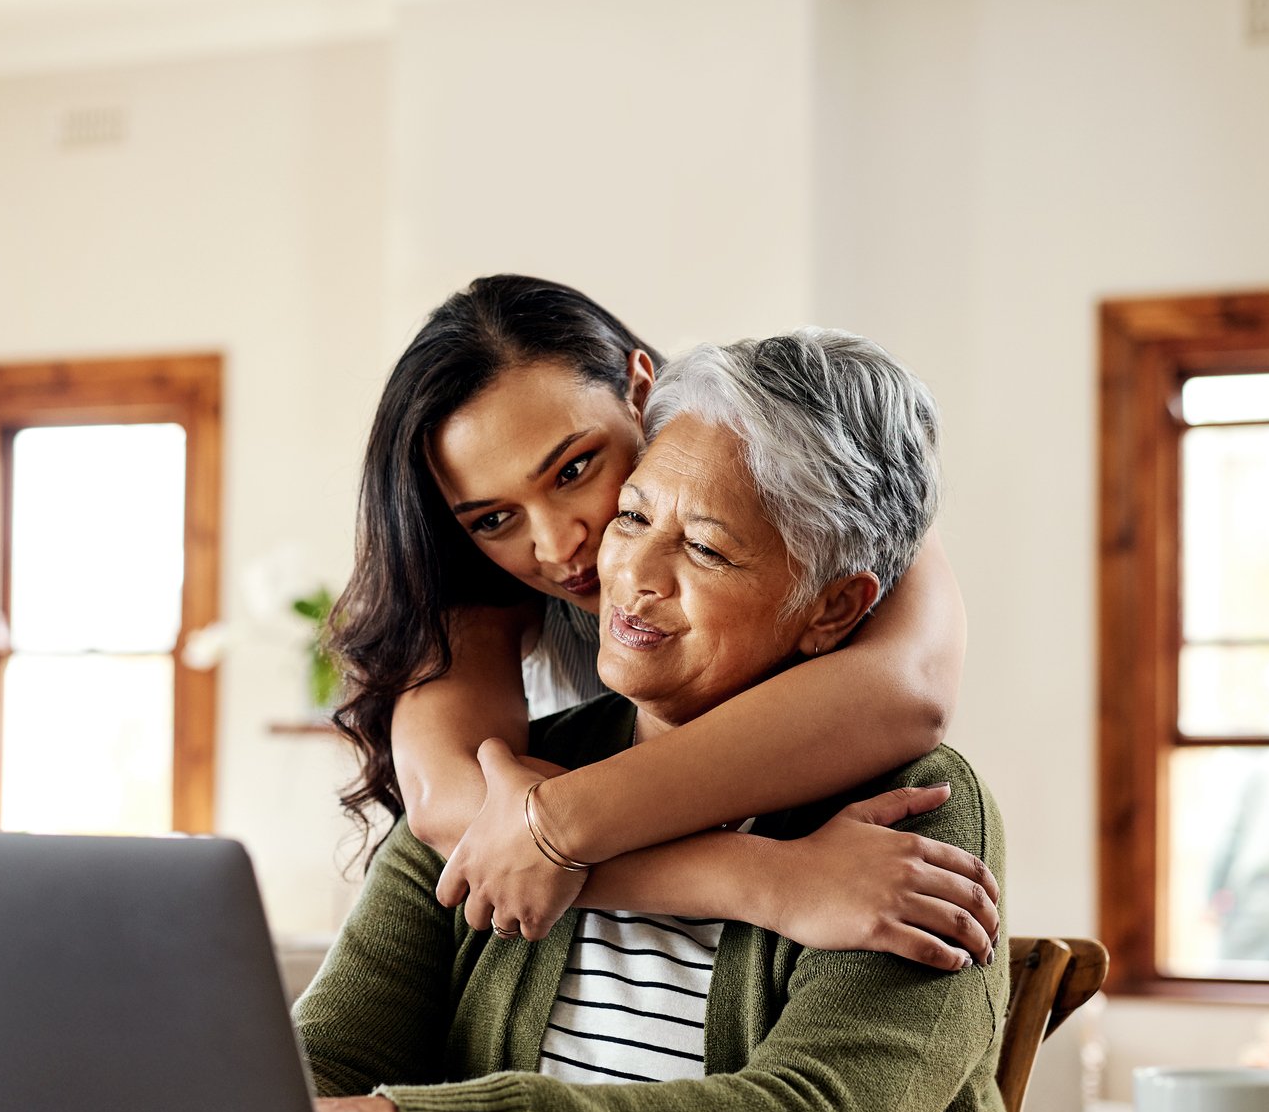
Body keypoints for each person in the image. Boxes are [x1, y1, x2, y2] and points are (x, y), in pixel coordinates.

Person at [297, 331, 1020, 1112]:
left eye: (708, 550)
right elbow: (323, 1060)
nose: (625, 574)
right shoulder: (509, 783)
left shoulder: (922, 807)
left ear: (833, 609)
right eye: (633, 518)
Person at [329, 276, 996, 967]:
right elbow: (453, 808)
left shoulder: (804, 464)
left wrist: (558, 824)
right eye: (496, 518)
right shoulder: (475, 583)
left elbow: (906, 691)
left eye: (574, 469)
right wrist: (765, 880)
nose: (559, 546)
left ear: (640, 390)